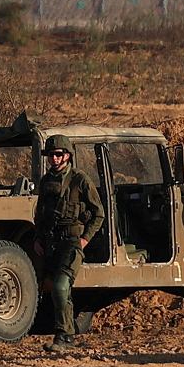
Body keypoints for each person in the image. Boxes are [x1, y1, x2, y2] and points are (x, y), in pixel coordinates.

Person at [33, 135, 105, 353]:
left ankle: (64, 337)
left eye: (58, 155)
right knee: (53, 289)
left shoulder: (79, 179)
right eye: (50, 155)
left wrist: (84, 239)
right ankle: (66, 333)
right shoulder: (46, 181)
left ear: (67, 155)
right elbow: (40, 213)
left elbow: (98, 214)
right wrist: (38, 238)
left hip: (72, 242)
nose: (54, 159)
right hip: (50, 241)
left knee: (61, 286)